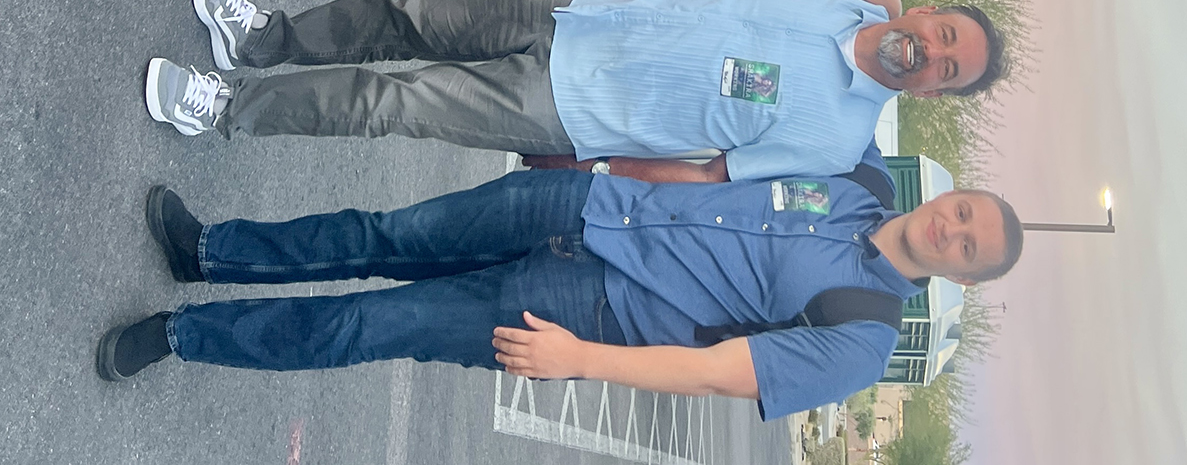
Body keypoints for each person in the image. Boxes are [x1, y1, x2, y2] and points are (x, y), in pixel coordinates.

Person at [97, 168, 1022, 400]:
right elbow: (721, 162)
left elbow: (716, 374)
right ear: (954, 196)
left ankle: (180, 336)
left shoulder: (861, 339)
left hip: (585, 314)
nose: (953, 228)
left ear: (960, 275)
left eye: (968, 247)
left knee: (372, 325)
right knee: (383, 233)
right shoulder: (857, 177)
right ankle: (210, 253)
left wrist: (579, 360)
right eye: (966, 211)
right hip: (583, 203)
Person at [144, 0, 1008, 182]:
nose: (930, 54)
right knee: (405, 16)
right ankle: (261, 42)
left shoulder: (838, 141)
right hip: (582, 7)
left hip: (570, 107)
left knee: (392, 101)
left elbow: (712, 174)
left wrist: (606, 171)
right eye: (943, 35)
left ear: (937, 94)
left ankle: (225, 109)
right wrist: (889, 0)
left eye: (947, 70)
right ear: (927, 11)